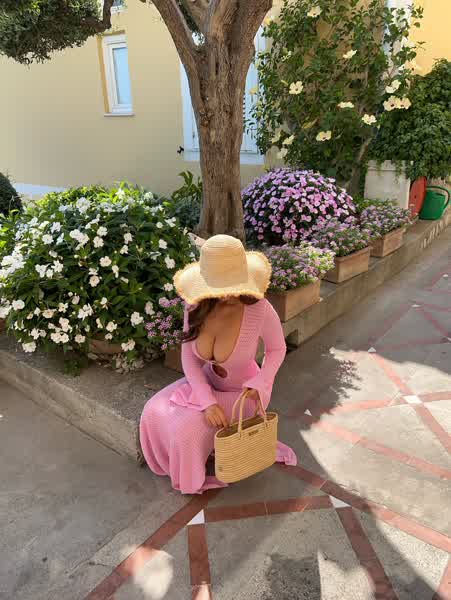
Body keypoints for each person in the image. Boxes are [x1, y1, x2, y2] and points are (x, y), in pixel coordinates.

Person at [139, 235, 297, 494]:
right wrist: (207, 401)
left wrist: (262, 381)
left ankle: (190, 479)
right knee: (152, 409)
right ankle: (175, 464)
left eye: (234, 283)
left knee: (187, 430)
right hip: (207, 383)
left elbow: (277, 349)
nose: (231, 293)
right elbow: (189, 358)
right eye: (222, 286)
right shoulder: (196, 307)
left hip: (244, 394)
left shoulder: (259, 309)